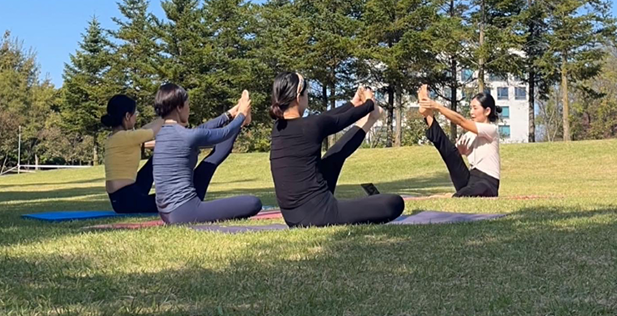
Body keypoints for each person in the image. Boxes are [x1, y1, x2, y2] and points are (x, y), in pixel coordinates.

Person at [269, 72, 405, 227]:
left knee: (333, 157)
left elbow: (327, 118)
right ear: (298, 97)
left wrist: (354, 103)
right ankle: (372, 118)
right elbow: (337, 120)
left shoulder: (279, 128)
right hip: (319, 214)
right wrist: (368, 102)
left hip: (293, 218)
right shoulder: (311, 125)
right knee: (394, 202)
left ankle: (372, 119)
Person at [152, 82, 262, 225]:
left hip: (167, 212)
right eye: (187, 105)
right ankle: (242, 122)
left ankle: (240, 123)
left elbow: (201, 130)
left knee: (210, 161)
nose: (188, 109)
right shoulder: (186, 136)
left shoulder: (163, 133)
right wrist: (242, 114)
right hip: (184, 212)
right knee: (253, 203)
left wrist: (230, 114)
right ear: (179, 107)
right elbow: (224, 133)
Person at [417, 84, 501, 197]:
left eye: (475, 108)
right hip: (470, 180)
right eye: (471, 108)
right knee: (450, 152)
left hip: (487, 183)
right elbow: (450, 153)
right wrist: (458, 150)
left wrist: (438, 107)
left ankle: (454, 196)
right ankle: (428, 115)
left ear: (487, 111)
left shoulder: (491, 130)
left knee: (477, 189)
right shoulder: (469, 136)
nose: (471, 112)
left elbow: (462, 121)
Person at [102, 94, 164, 214]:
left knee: (156, 158)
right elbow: (155, 129)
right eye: (135, 113)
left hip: (124, 195)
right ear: (127, 116)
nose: (136, 117)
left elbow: (146, 129)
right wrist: (170, 114)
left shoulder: (115, 137)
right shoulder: (127, 137)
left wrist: (165, 117)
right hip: (128, 201)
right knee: (173, 201)